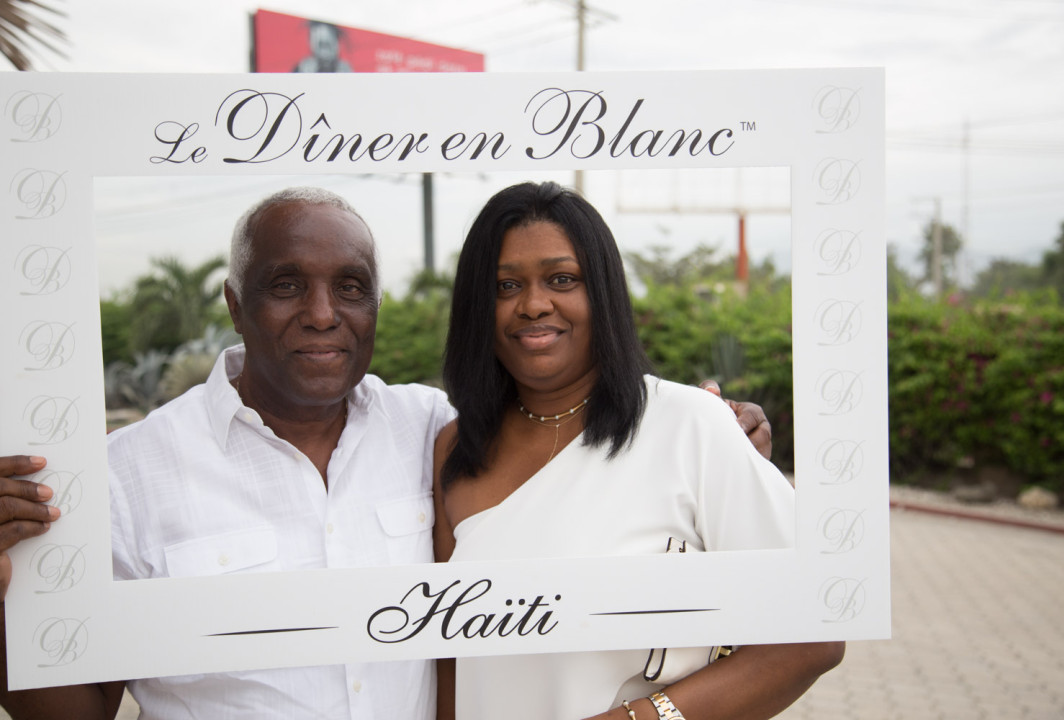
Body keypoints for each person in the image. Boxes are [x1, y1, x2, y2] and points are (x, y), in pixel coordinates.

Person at [0, 186, 773, 720]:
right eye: (285, 285)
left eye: (351, 287)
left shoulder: (433, 431)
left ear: (376, 305)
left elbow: (570, 437)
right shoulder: (123, 476)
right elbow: (69, 709)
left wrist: (716, 430)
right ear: (235, 303)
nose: (322, 314)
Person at [433, 181, 844, 720]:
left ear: (603, 291)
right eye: (505, 285)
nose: (532, 304)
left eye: (562, 279)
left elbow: (812, 633)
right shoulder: (457, 448)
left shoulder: (690, 425)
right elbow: (447, 656)